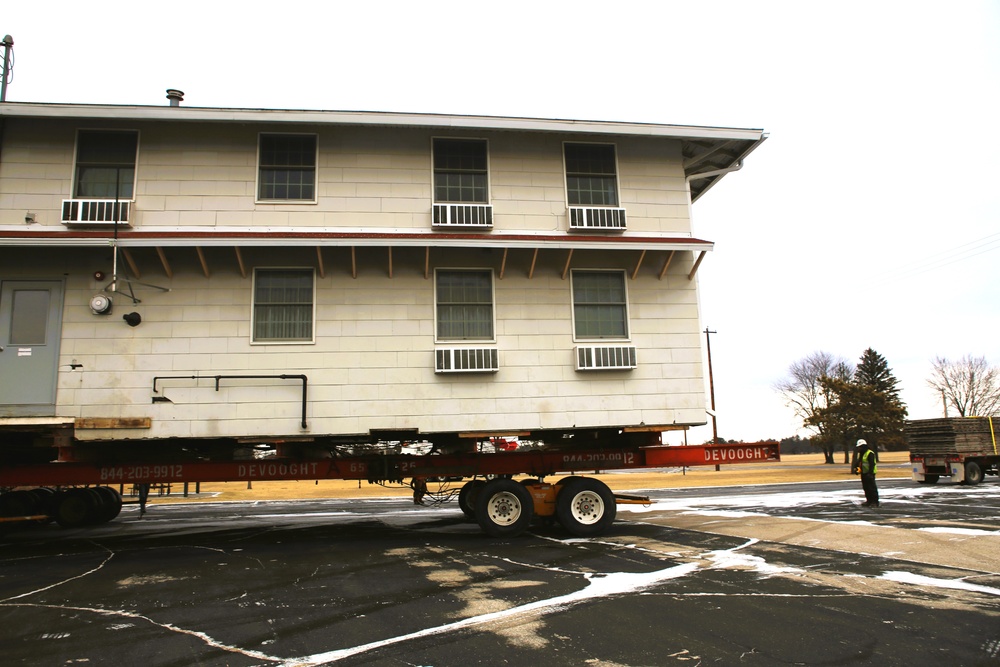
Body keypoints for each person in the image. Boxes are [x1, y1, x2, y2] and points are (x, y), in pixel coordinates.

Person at [852, 439, 879, 507]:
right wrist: (856, 469)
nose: (859, 448)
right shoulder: (861, 454)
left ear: (863, 446)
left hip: (870, 473)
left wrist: (870, 473)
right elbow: (859, 462)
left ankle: (875, 502)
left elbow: (872, 464)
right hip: (864, 473)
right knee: (866, 488)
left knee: (872, 488)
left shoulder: (870, 453)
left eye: (860, 447)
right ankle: (869, 501)